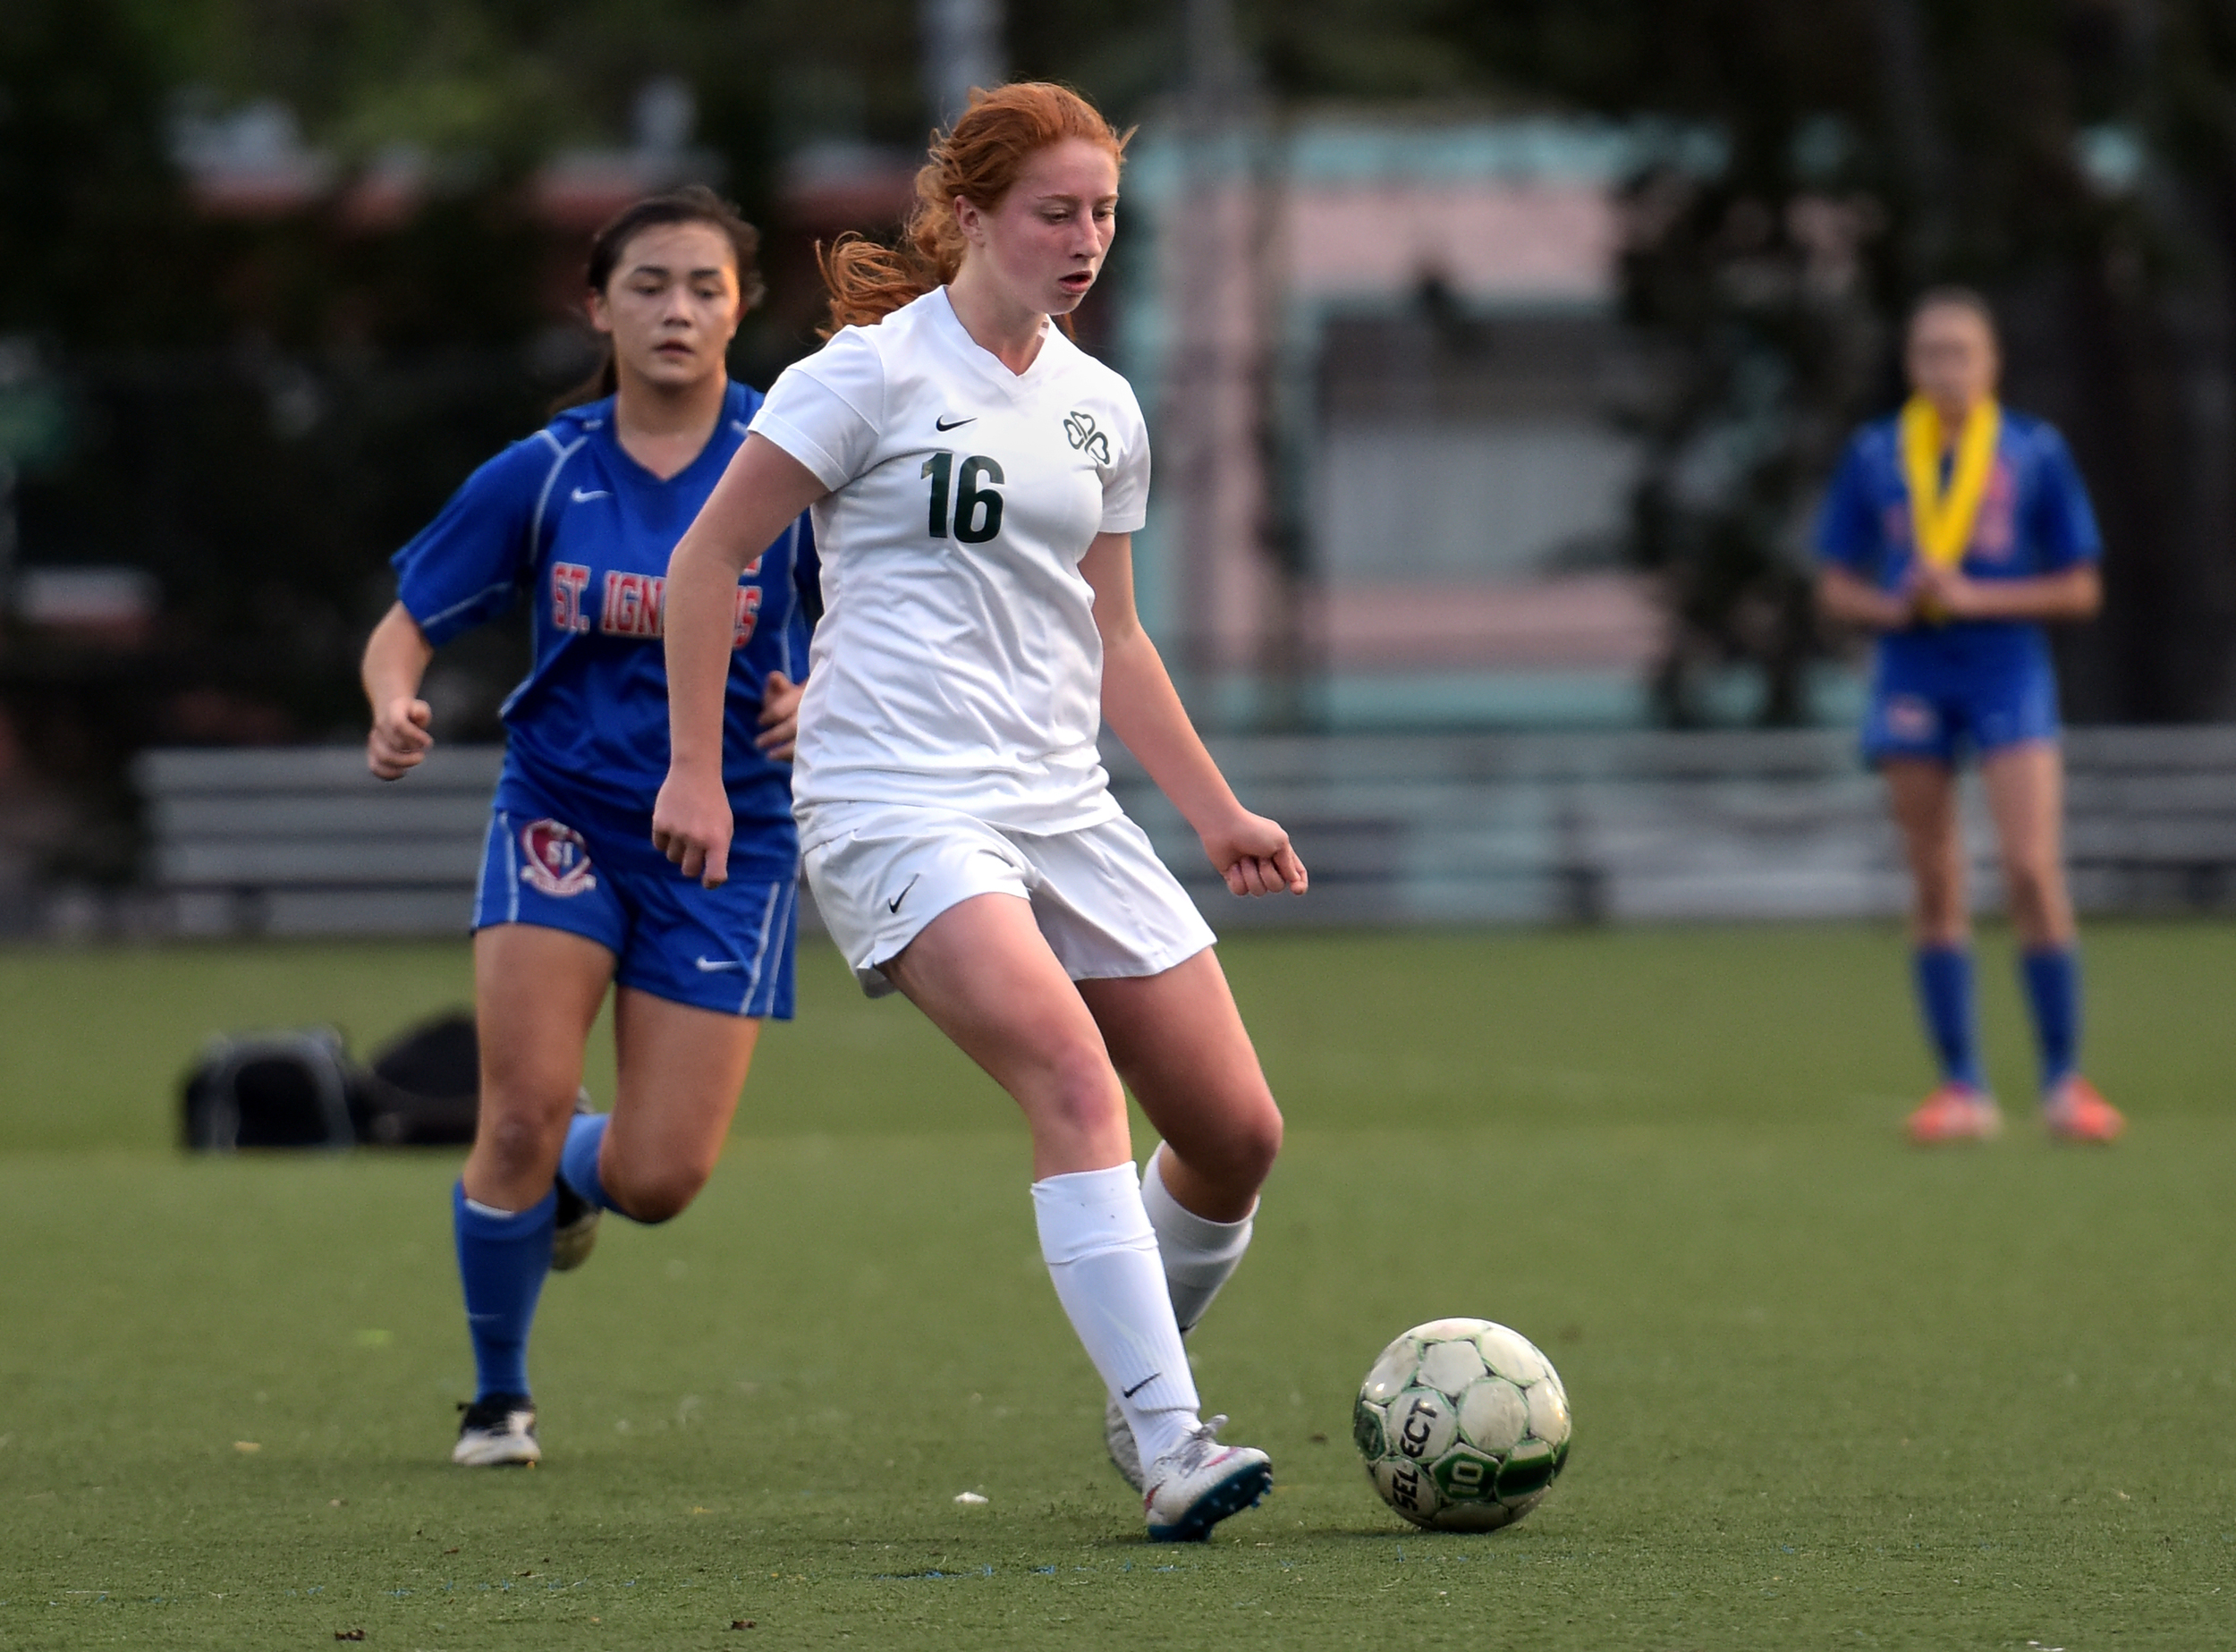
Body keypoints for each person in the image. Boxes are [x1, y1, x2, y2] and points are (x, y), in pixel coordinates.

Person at [650, 83, 1304, 1541]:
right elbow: (709, 564)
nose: (1085, 241)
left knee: (1237, 1135)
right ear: (967, 217)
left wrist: (1213, 809)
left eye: (1105, 215)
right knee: (1074, 1081)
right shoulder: (867, 378)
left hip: (1060, 804)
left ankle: (1142, 1379)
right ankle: (1168, 1435)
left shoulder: (1100, 405)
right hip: (896, 798)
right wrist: (696, 765)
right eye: (1055, 212)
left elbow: (1113, 634)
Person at [360, 186, 817, 1466]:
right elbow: (407, 626)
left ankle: (568, 1176)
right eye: (649, 285)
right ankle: (498, 1394)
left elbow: (891, 607)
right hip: (558, 811)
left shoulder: (795, 451)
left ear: (743, 306)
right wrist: (395, 700)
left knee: (662, 1176)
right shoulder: (546, 468)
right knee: (518, 1104)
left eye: (705, 287)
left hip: (727, 834)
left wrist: (820, 687)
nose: (677, 309)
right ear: (596, 306)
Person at [1817, 287, 2122, 1146]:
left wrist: (1979, 595)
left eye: (1959, 351)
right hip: (1913, 667)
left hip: (2006, 666)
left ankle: (2064, 1079)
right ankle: (1963, 1085)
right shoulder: (1877, 454)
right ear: (1910, 364)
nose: (1943, 368)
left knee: (2029, 866)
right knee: (1935, 876)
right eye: (1928, 353)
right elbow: (1836, 582)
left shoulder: (2034, 451)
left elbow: (2081, 585)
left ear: (1992, 363)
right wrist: (1893, 606)